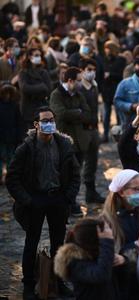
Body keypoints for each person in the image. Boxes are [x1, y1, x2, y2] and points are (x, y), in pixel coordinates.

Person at [6, 107, 80, 300]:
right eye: (45, 121)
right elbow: (12, 178)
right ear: (37, 125)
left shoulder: (64, 144)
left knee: (58, 243)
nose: (50, 124)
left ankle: (59, 281)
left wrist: (68, 198)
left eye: (52, 120)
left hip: (58, 199)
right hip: (35, 200)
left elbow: (74, 175)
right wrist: (27, 200)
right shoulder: (26, 148)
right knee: (31, 243)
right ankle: (29, 285)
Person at [102, 169, 139, 300]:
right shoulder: (109, 221)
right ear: (121, 192)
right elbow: (114, 257)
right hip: (122, 282)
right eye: (136, 189)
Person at [49, 66, 91, 216]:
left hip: (79, 141)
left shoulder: (79, 95)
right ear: (70, 80)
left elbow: (87, 114)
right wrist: (77, 113)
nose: (81, 83)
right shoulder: (56, 94)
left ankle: (71, 202)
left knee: (75, 176)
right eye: (79, 81)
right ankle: (65, 204)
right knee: (64, 174)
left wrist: (75, 114)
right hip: (64, 141)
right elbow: (60, 114)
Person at [54, 218, 118, 300]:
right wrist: (107, 242)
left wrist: (124, 260)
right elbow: (101, 275)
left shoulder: (99, 255)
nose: (111, 237)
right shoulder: (75, 263)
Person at [78, 58, 104, 203]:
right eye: (89, 70)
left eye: (93, 70)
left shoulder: (94, 85)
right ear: (81, 71)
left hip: (93, 128)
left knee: (92, 162)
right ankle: (72, 198)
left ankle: (91, 192)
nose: (92, 73)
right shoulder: (78, 87)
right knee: (78, 163)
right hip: (82, 130)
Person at [18, 47, 52, 129]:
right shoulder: (23, 72)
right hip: (28, 108)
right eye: (36, 55)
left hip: (42, 107)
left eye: (40, 55)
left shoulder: (44, 72)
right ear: (30, 57)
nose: (39, 57)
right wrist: (41, 86)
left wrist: (36, 89)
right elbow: (24, 88)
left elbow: (48, 89)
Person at [101, 40, 126, 142]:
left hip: (117, 90)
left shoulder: (121, 60)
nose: (106, 50)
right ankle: (105, 135)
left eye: (107, 48)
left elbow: (121, 75)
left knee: (119, 115)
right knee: (106, 115)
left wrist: (110, 75)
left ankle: (119, 135)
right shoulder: (105, 60)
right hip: (107, 91)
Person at [0, 83, 22, 184]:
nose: (7, 95)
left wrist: (19, 136)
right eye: (5, 93)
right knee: (2, 157)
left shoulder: (15, 105)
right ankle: (2, 176)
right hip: (2, 136)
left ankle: (10, 177)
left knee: (11, 157)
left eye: (9, 93)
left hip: (12, 136)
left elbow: (18, 122)